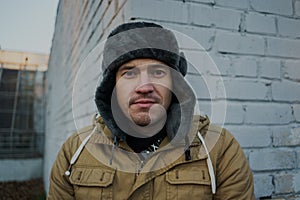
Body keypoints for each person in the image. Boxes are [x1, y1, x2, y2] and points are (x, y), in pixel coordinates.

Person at [47, 21, 255, 199]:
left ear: (175, 83)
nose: (144, 86)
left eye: (157, 72)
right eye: (129, 73)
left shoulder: (219, 149)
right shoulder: (75, 151)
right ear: (112, 86)